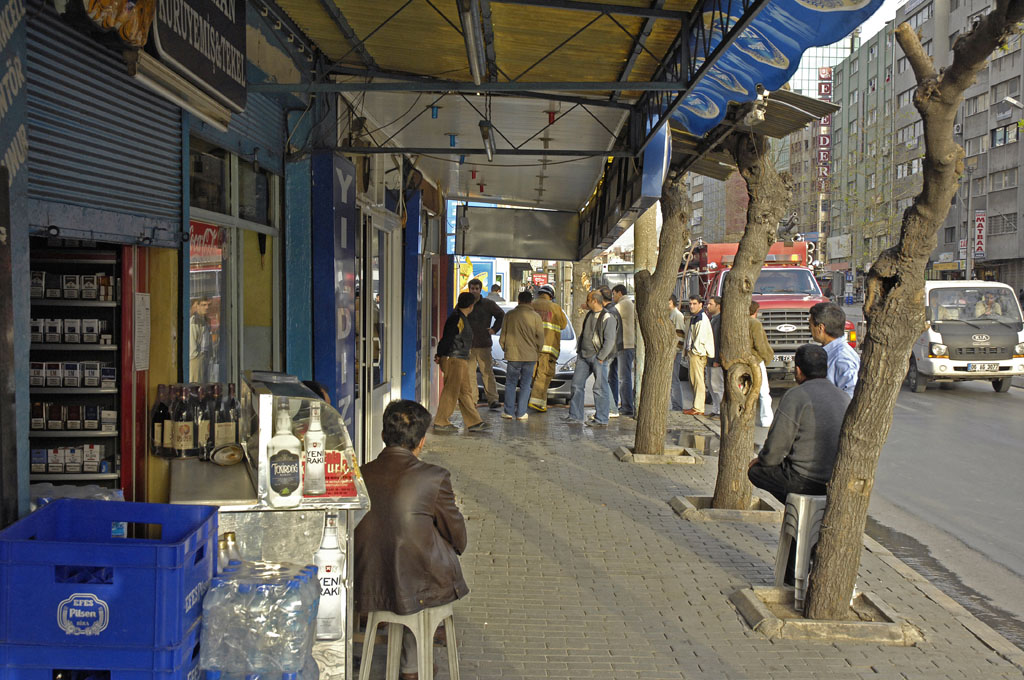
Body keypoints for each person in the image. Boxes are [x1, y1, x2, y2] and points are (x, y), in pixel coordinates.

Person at [354, 400, 469, 680]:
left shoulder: (361, 474)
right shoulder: (434, 477)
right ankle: (412, 667)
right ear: (421, 441)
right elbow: (458, 538)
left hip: (369, 579)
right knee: (422, 558)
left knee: (408, 550)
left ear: (383, 435)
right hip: (413, 584)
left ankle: (412, 658)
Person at [747, 344, 850, 504]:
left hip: (804, 480)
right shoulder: (844, 396)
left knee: (756, 471)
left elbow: (776, 447)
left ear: (798, 370)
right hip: (834, 478)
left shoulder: (795, 395)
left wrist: (762, 460)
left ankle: (796, 505)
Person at [434, 292, 488, 433]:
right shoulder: (457, 319)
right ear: (471, 306)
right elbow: (447, 338)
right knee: (451, 391)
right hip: (454, 359)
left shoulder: (459, 317)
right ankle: (441, 421)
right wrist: (440, 354)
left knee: (465, 391)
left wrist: (440, 354)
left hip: (460, 359)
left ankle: (474, 422)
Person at [565, 290, 617, 426]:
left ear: (594, 301)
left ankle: (602, 419)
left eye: (588, 300)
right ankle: (575, 416)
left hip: (597, 357)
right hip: (583, 355)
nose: (586, 303)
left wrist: (601, 357)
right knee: (576, 385)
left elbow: (610, 341)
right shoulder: (590, 314)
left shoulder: (608, 317)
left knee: (600, 388)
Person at [500, 290, 544, 420]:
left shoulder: (509, 315)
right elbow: (540, 338)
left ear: (518, 300)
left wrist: (506, 349)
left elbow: (502, 337)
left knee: (510, 383)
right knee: (525, 384)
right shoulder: (536, 317)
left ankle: (508, 412)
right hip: (530, 356)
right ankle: (521, 413)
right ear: (531, 302)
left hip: (513, 356)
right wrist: (537, 351)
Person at [528, 284, 569, 412]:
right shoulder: (555, 308)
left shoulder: (531, 305)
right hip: (549, 348)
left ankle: (541, 402)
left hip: (532, 347)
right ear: (551, 296)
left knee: (534, 374)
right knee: (544, 374)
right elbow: (563, 325)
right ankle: (536, 402)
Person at [465, 278, 505, 409]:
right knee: (469, 374)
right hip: (468, 345)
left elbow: (501, 315)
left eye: (477, 289)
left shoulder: (488, 304)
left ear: (480, 290)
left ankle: (493, 399)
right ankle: (473, 400)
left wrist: (494, 329)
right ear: (469, 289)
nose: (474, 291)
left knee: (487, 372)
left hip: (484, 344)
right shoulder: (465, 303)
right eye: (472, 288)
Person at [808, 301, 860, 400]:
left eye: (810, 325)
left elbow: (850, 394)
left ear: (820, 328)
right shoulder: (829, 352)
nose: (809, 329)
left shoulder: (842, 358)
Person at [683, 295, 714, 415]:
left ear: (700, 305)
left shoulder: (701, 318)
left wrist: (694, 352)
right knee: (694, 381)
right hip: (694, 353)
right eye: (690, 304)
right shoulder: (695, 317)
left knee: (698, 381)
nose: (691, 306)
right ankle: (696, 406)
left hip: (698, 354)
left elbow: (700, 338)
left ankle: (698, 408)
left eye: (694, 304)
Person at [598, 286, 624, 417]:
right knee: (611, 378)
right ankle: (612, 406)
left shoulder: (610, 312)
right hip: (614, 349)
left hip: (609, 351)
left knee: (602, 380)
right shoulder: (612, 310)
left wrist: (602, 354)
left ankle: (612, 408)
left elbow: (609, 336)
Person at [612, 284, 636, 417]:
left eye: (614, 294)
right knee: (621, 377)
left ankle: (627, 406)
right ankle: (623, 404)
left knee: (624, 378)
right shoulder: (628, 303)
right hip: (624, 345)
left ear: (619, 293)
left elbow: (610, 313)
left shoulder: (624, 304)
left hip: (626, 345)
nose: (613, 297)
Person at [748, 301, 774, 428]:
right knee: (764, 391)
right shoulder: (755, 323)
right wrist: (767, 357)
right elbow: (760, 344)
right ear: (756, 311)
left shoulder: (740, 322)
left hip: (743, 360)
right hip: (756, 360)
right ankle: (766, 419)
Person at [705, 296, 724, 418]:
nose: (708, 306)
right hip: (710, 358)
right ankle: (715, 408)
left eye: (711, 304)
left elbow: (719, 342)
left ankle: (721, 411)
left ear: (718, 306)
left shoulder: (721, 320)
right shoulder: (712, 319)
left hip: (716, 359)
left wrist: (717, 359)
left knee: (718, 386)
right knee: (711, 385)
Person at [668, 295, 687, 412]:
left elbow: (680, 335)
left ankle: (677, 405)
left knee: (674, 379)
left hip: (675, 352)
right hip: (671, 351)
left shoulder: (677, 315)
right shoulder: (670, 314)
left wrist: (676, 350)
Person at [189, 297, 213, 383]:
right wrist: (196, 357)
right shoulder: (194, 322)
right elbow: (192, 345)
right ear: (197, 306)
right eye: (203, 305)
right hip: (196, 359)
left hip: (204, 359)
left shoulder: (203, 321)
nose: (207, 307)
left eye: (208, 305)